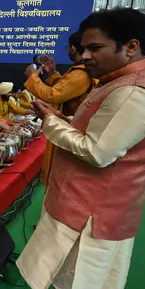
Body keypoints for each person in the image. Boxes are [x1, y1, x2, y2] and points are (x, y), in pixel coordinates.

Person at [13, 8, 145, 289]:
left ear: (130, 47)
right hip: (90, 202)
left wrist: (51, 121)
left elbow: (97, 151)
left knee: (76, 286)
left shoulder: (133, 93)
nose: (84, 55)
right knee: (74, 283)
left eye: (95, 48)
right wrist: (62, 117)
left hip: (93, 211)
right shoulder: (118, 82)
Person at [23, 31, 97, 186]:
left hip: (70, 128)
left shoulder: (80, 74)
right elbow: (65, 87)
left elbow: (53, 95)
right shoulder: (80, 72)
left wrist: (32, 77)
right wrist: (52, 73)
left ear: (73, 48)